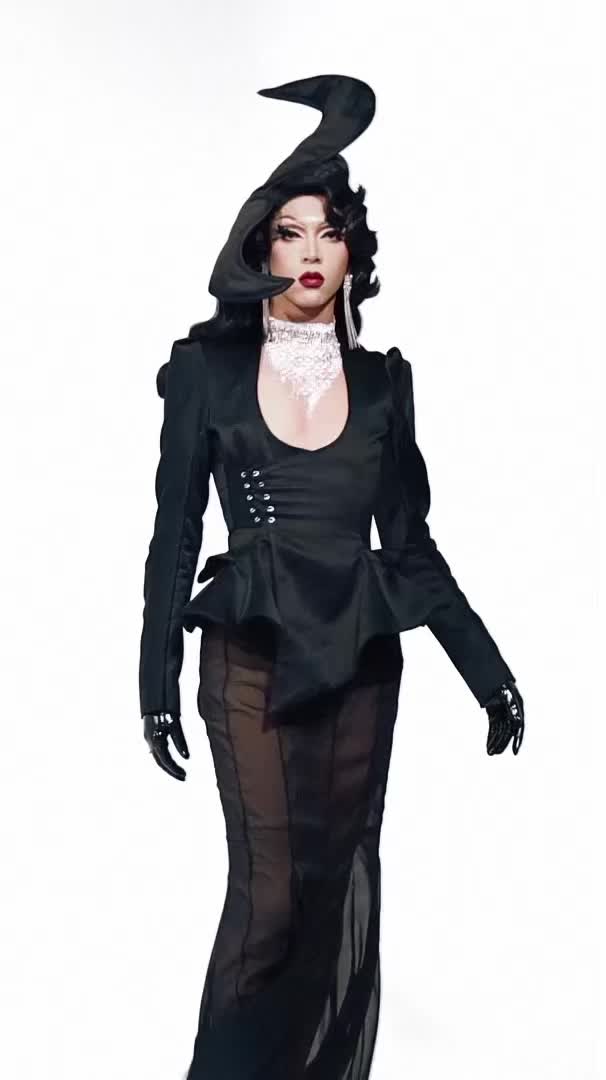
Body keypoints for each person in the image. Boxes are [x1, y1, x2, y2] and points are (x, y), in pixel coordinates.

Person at [138, 74, 525, 1080]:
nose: (310, 251)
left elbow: (412, 547)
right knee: (269, 900)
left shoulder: (387, 383)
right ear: (261, 250)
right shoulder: (206, 373)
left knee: (331, 894)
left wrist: (488, 673)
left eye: (330, 233)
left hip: (361, 658)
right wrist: (154, 681)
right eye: (290, 232)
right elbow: (175, 533)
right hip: (249, 650)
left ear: (354, 253)